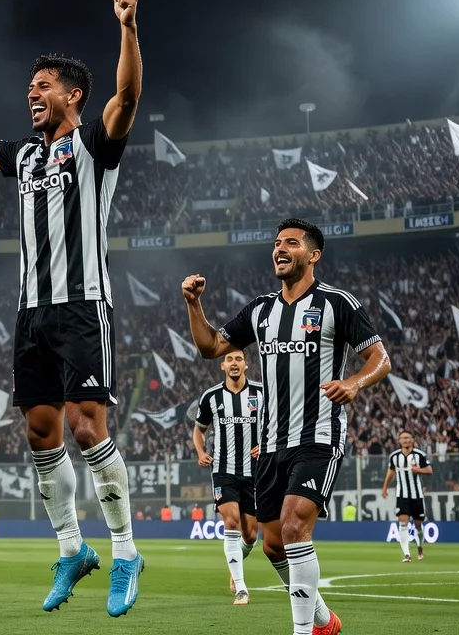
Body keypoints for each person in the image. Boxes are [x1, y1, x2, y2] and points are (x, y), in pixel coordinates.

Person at [0, 0, 145, 616]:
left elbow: (127, 97)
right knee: (40, 430)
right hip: (32, 312)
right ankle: (73, 548)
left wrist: (128, 30)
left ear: (72, 96)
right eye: (31, 86)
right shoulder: (24, 155)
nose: (33, 93)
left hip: (82, 304)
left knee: (86, 424)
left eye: (44, 85)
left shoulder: (94, 148)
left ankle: (127, 552)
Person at [182, 218, 393, 635]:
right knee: (274, 542)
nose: (280, 249)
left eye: (291, 243)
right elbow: (210, 347)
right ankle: (323, 621)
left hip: (318, 435)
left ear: (312, 255)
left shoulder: (337, 304)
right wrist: (194, 304)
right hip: (272, 443)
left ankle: (302, 632)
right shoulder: (261, 310)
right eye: (277, 243)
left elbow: (380, 359)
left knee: (296, 526)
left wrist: (353, 382)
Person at [191, 350, 261, 605]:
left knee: (251, 535)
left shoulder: (261, 393)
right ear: (222, 366)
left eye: (238, 359)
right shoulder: (211, 396)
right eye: (229, 360)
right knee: (231, 522)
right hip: (223, 469)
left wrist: (265, 443)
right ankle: (242, 588)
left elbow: (278, 423)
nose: (234, 363)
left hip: (254, 472)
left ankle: (235, 568)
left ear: (246, 364)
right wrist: (200, 451)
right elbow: (198, 430)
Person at [382, 431, 432, 562]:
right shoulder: (394, 456)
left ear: (412, 440)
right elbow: (391, 472)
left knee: (417, 524)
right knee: (403, 523)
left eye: (408, 438)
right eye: (403, 438)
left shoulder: (420, 454)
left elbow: (429, 470)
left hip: (417, 495)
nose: (405, 440)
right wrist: (385, 488)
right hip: (402, 495)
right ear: (399, 441)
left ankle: (420, 547)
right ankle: (407, 554)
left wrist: (418, 470)